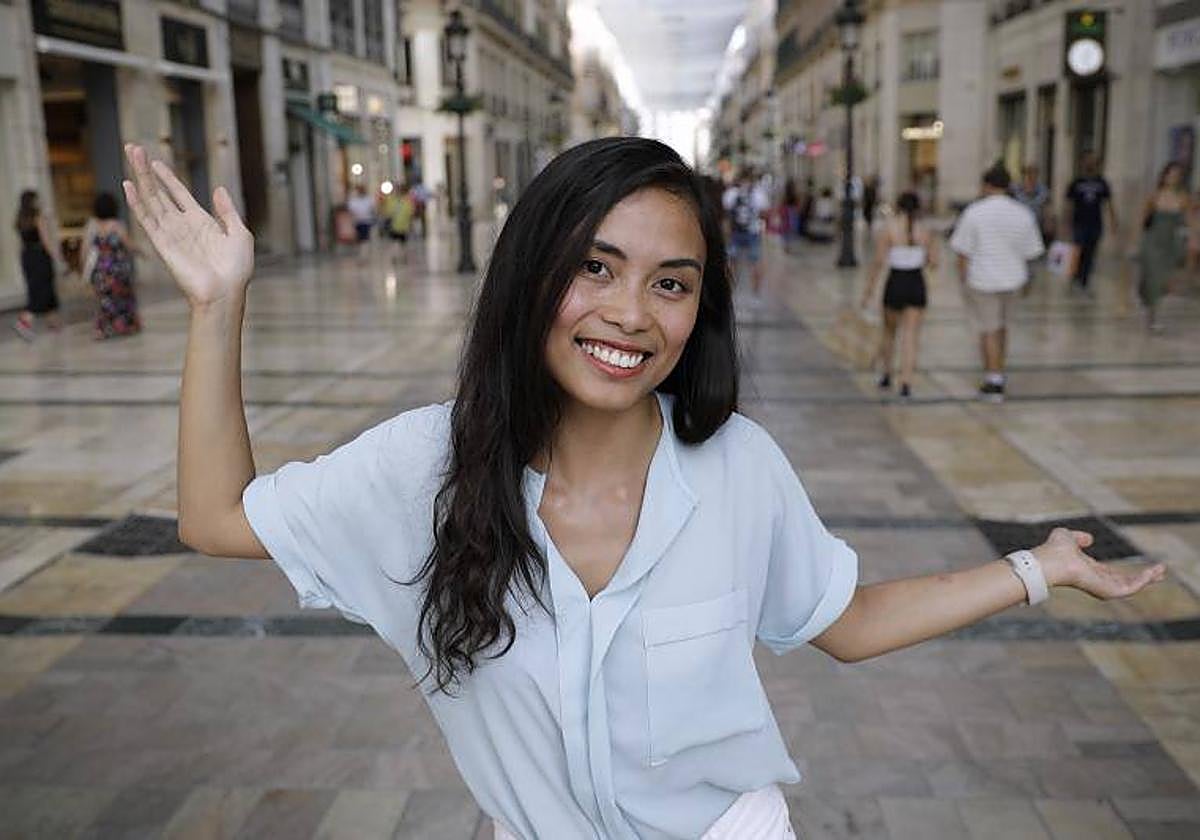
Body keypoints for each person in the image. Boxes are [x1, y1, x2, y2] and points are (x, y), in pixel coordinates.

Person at [120, 138, 1164, 840]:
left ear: (698, 310)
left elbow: (842, 621)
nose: (631, 314)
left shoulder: (738, 466)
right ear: (533, 272)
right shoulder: (423, 470)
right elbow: (214, 518)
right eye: (596, 267)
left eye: (671, 283)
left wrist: (1038, 569)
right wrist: (217, 306)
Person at [950, 163, 1045, 402]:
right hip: (1013, 279)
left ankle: (994, 380)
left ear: (987, 185)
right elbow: (1032, 253)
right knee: (1002, 328)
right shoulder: (1023, 213)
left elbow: (962, 252)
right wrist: (1028, 284)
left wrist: (962, 281)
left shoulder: (974, 212)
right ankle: (998, 370)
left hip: (983, 280)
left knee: (988, 330)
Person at [859, 192, 937, 399]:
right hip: (916, 283)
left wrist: (868, 291)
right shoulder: (925, 231)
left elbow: (878, 262)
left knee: (889, 332)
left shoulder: (889, 229)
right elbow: (933, 262)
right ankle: (906, 381)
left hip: (896, 282)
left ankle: (886, 373)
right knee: (911, 336)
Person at [1137, 162, 1191, 332]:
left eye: (1177, 175)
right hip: (1153, 241)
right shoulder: (1154, 196)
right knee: (1153, 278)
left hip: (1171, 243)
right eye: (1171, 174)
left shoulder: (1183, 198)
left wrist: (1189, 239)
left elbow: (1188, 222)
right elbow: (1142, 221)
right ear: (1164, 175)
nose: (1174, 177)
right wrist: (1135, 243)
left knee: (1162, 281)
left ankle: (1150, 305)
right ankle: (1152, 319)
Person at [83, 192, 142, 339]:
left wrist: (84, 268)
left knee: (104, 300)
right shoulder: (117, 225)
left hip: (101, 271)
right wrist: (141, 252)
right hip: (117, 269)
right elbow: (129, 245)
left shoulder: (92, 226)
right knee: (122, 297)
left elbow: (84, 250)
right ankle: (123, 325)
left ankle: (103, 328)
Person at [12, 190, 62, 341]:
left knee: (39, 288)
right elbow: (45, 240)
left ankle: (54, 324)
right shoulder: (38, 216)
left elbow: (22, 242)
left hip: (27, 257)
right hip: (40, 256)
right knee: (43, 290)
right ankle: (24, 321)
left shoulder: (20, 219)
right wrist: (57, 257)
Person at [1065, 152, 1118, 293]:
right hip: (1079, 223)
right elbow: (1069, 204)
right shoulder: (1076, 182)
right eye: (1088, 161)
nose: (1090, 164)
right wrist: (1066, 223)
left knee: (1091, 252)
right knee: (1078, 251)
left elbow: (1109, 203)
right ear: (1082, 163)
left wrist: (1113, 221)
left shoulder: (1102, 183)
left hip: (1095, 224)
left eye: (1093, 161)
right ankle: (1074, 277)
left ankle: (1084, 280)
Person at [722, 171, 770, 297]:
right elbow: (764, 214)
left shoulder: (731, 193)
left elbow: (727, 213)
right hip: (753, 232)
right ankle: (756, 290)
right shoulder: (758, 194)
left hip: (735, 232)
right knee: (755, 261)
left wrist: (727, 230)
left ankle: (729, 290)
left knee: (732, 261)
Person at [1011, 164, 1051, 245]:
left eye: (1033, 174)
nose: (1030, 177)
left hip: (1036, 226)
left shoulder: (1043, 190)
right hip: (1018, 226)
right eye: (1028, 174)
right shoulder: (1014, 189)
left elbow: (1047, 207)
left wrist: (1048, 222)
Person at [346, 184, 376, 262]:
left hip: (366, 221)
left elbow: (372, 209)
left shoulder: (369, 199)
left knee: (364, 238)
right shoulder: (353, 200)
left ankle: (364, 255)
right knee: (359, 239)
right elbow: (351, 210)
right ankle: (361, 254)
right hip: (357, 222)